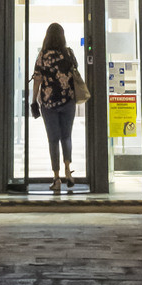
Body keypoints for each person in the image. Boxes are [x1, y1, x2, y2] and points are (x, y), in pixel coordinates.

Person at [30, 21, 87, 194]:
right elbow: (75, 72)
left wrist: (34, 100)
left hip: (48, 103)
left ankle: (56, 178)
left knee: (53, 140)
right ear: (62, 37)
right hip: (67, 101)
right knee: (66, 137)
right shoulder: (68, 53)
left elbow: (37, 80)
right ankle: (68, 171)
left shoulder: (42, 55)